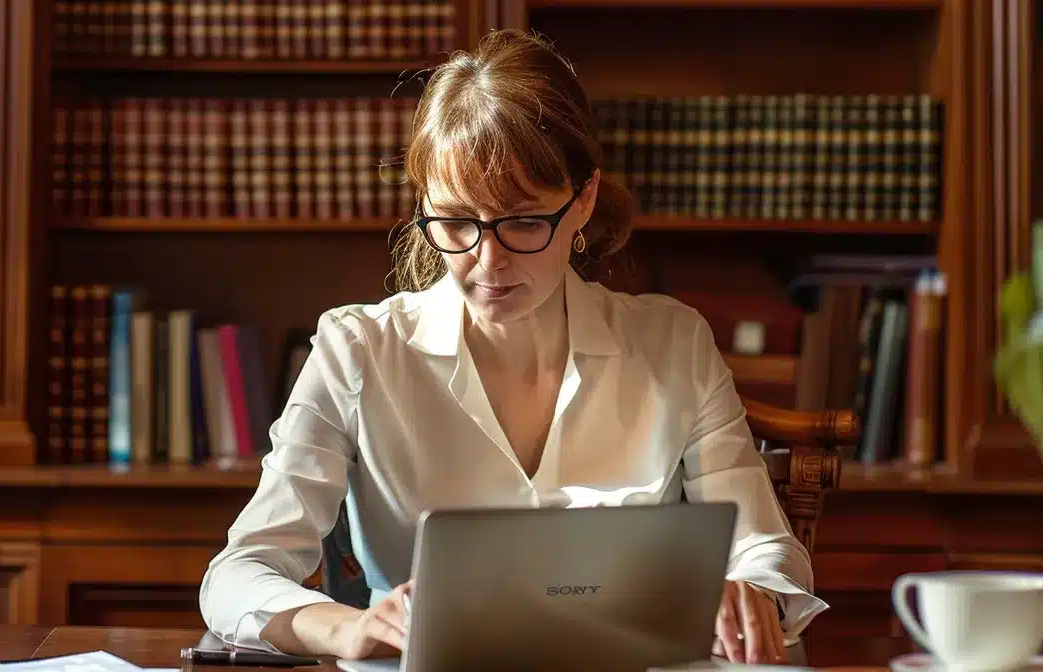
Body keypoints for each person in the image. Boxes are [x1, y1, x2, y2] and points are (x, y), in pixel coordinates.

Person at [198, 29, 826, 666]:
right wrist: (347, 627)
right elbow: (238, 573)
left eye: (524, 221)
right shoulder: (358, 350)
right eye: (455, 221)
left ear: (581, 202)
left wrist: (752, 596)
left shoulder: (673, 344)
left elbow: (769, 553)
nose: (486, 261)